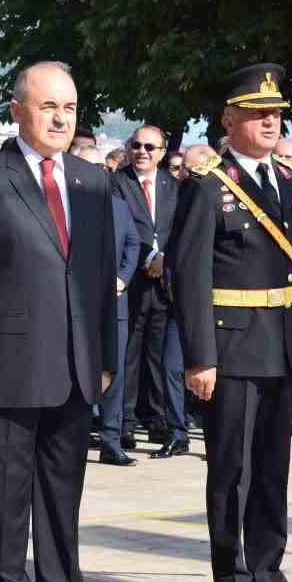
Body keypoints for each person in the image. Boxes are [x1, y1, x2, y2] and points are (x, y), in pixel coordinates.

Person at [0, 62, 120, 582]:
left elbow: (99, 276)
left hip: (75, 364)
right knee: (4, 489)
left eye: (69, 108)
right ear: (18, 110)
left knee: (62, 488)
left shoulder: (93, 183)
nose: (60, 118)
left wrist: (105, 355)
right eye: (48, 107)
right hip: (9, 363)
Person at [169, 63, 292, 582]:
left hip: (283, 345)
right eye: (257, 113)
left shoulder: (289, 184)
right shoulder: (208, 188)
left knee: (270, 470)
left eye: (276, 113)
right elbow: (187, 275)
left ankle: (268, 575)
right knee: (230, 472)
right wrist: (199, 356)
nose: (269, 121)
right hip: (231, 351)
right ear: (228, 120)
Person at [114, 125, 185, 456]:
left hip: (165, 280)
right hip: (131, 278)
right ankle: (125, 421)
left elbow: (179, 231)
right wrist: (148, 256)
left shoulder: (174, 185)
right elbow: (121, 228)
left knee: (159, 353)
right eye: (137, 145)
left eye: (150, 147)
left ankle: (158, 418)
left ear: (161, 152)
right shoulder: (118, 182)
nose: (142, 152)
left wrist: (165, 258)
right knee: (128, 352)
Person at [79, 146, 140, 464]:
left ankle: (111, 440)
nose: (97, 173)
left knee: (114, 372)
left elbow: (133, 243)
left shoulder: (119, 206)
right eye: (88, 166)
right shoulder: (66, 206)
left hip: (114, 303)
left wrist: (122, 278)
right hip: (77, 305)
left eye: (101, 167)